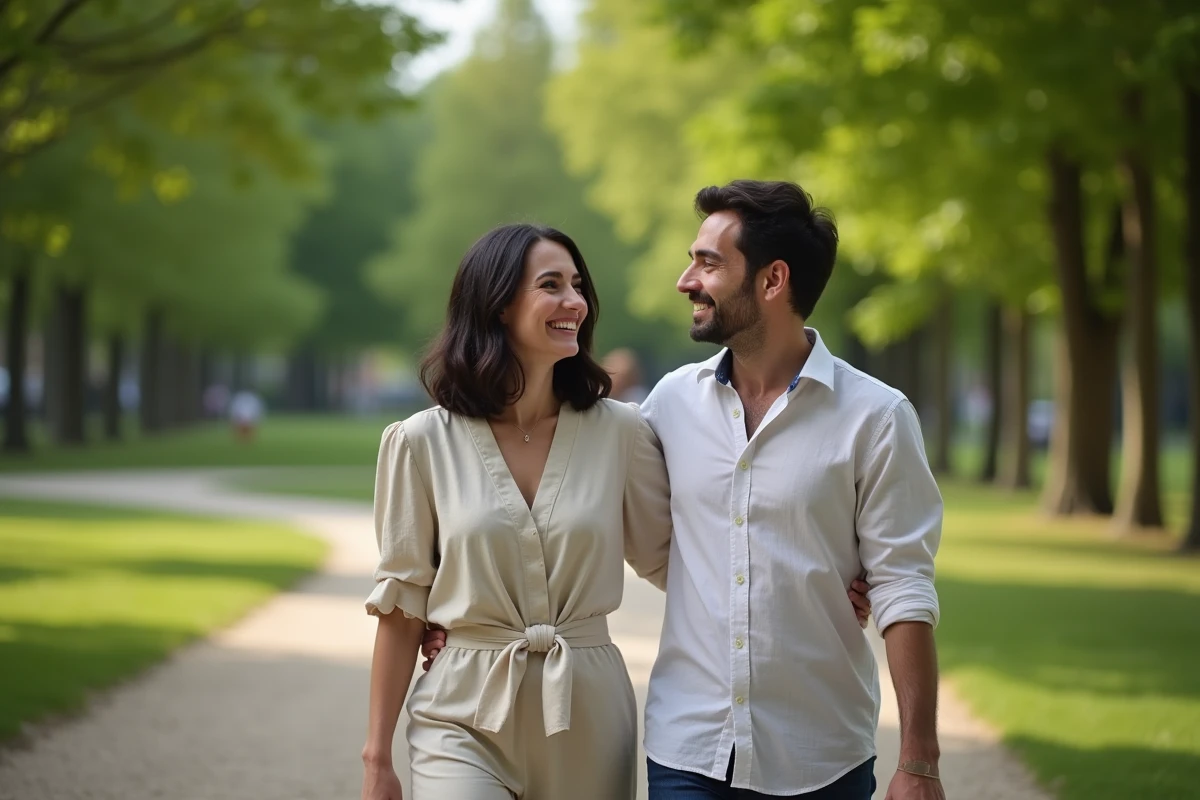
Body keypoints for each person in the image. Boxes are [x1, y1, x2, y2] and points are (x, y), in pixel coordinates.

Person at [383, 222, 874, 800]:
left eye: (577, 285)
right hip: (462, 708)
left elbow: (677, 555)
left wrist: (805, 589)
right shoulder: (419, 442)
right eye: (551, 285)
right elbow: (401, 597)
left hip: (587, 713)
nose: (575, 301)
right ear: (496, 305)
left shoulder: (621, 431)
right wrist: (376, 757)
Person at [640, 180, 945, 799]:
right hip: (687, 752)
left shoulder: (876, 417)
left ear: (772, 280)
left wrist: (919, 761)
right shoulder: (669, 404)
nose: (685, 280)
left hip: (822, 756)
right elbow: (590, 500)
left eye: (708, 262)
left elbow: (903, 585)